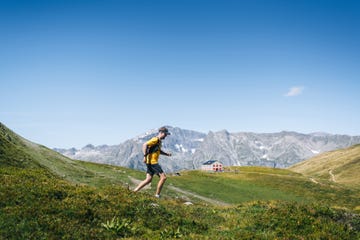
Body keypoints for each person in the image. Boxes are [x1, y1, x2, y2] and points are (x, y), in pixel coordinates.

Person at [133, 126, 172, 198]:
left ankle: (134, 191)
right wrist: (145, 156)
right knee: (163, 178)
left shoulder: (159, 141)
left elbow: (158, 151)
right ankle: (157, 195)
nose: (166, 136)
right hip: (152, 162)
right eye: (165, 134)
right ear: (161, 133)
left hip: (150, 162)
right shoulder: (155, 139)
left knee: (148, 179)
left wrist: (166, 154)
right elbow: (145, 145)